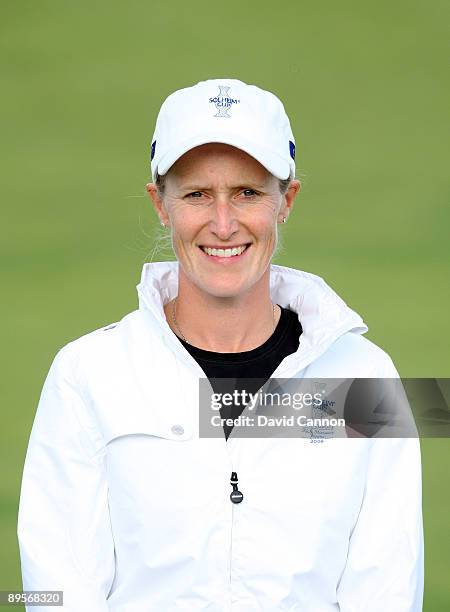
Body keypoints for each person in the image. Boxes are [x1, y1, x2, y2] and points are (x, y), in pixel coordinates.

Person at [17, 78, 424, 611]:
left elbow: (387, 592)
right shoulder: (86, 374)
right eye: (196, 194)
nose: (224, 223)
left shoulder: (366, 378)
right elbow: (58, 591)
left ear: (287, 200)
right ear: (161, 205)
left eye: (248, 192)